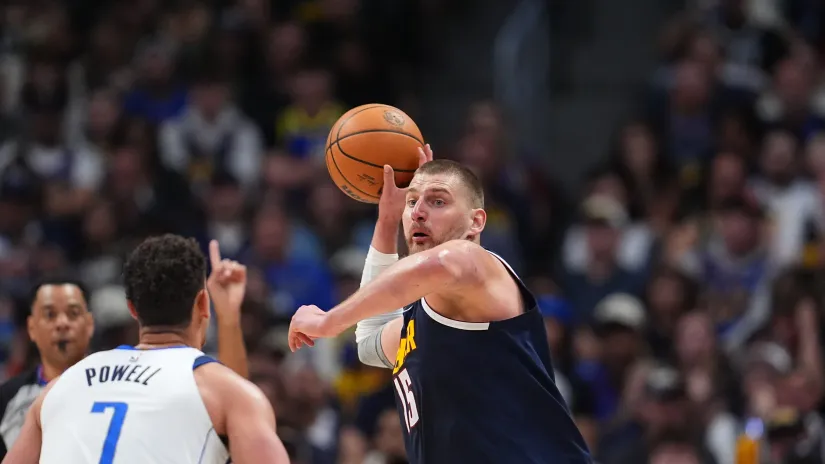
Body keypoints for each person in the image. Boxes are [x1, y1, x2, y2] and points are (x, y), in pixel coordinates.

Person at [289, 146, 592, 463]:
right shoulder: (417, 321)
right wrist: (387, 222)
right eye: (412, 201)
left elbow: (439, 265)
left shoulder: (477, 264)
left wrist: (330, 321)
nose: (418, 211)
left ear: (476, 222)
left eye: (437, 201)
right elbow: (368, 344)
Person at [2, 236, 289, 463]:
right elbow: (225, 398)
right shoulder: (227, 394)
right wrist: (228, 318)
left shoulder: (57, 388)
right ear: (203, 303)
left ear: (132, 308)